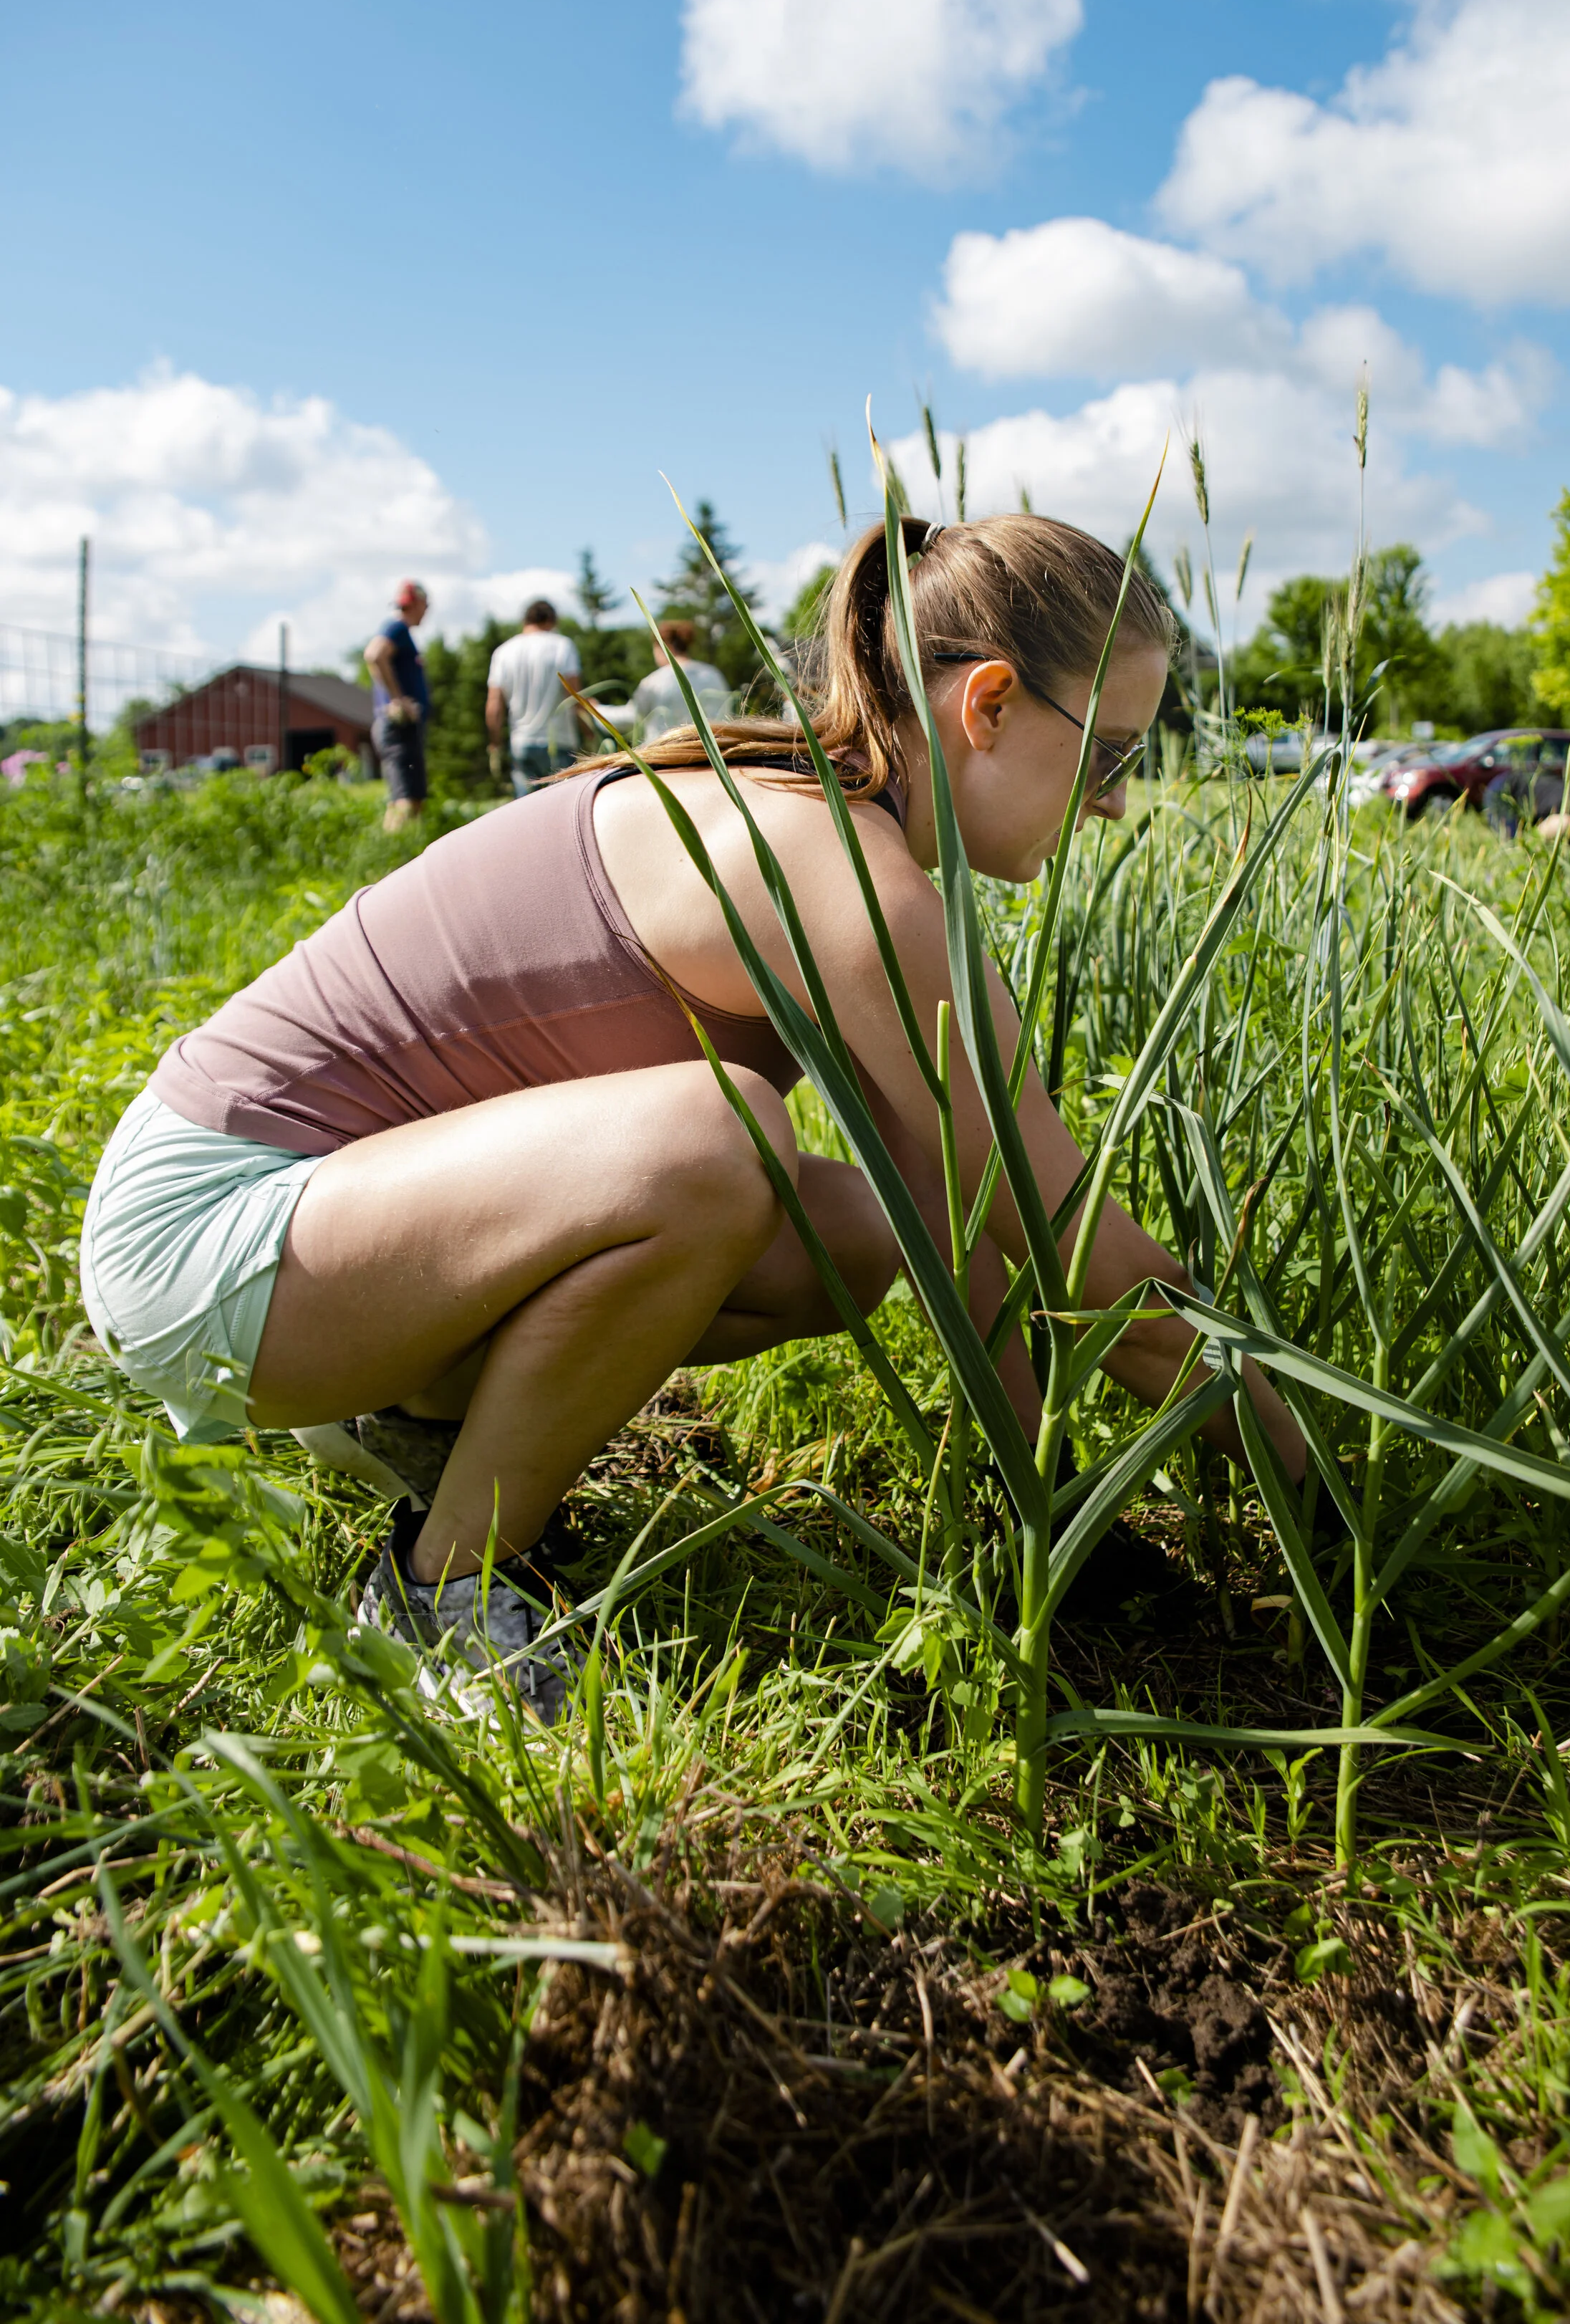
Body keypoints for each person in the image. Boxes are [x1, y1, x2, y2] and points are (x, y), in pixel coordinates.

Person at [77, 514, 1304, 1719]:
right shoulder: (829, 866)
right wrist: (1315, 1486)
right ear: (987, 704)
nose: (1113, 807)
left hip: (343, 1234)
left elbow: (970, 1217)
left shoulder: (827, 829)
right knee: (716, 1143)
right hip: (211, 1249)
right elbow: (1077, 1249)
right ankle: (442, 1589)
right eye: (1108, 756)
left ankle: (415, 1424)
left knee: (860, 1231)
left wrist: (1053, 1508)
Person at [486, 600, 582, 797]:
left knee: (526, 813)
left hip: (522, 742)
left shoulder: (503, 652)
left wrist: (495, 744)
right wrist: (588, 732)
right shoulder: (562, 646)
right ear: (551, 620)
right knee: (561, 808)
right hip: (559, 742)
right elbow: (574, 696)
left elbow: (494, 705)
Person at [366, 580, 430, 830]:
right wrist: (399, 699)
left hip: (399, 729)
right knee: (407, 801)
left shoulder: (399, 631)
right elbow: (374, 655)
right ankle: (397, 860)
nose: (427, 611)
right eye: (426, 605)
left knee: (404, 799)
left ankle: (394, 855)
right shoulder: (396, 628)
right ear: (416, 603)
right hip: (398, 728)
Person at [631, 617, 733, 738]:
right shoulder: (713, 674)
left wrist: (603, 711)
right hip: (715, 752)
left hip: (666, 753)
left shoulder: (655, 681)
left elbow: (632, 716)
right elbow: (728, 714)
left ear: (664, 646)